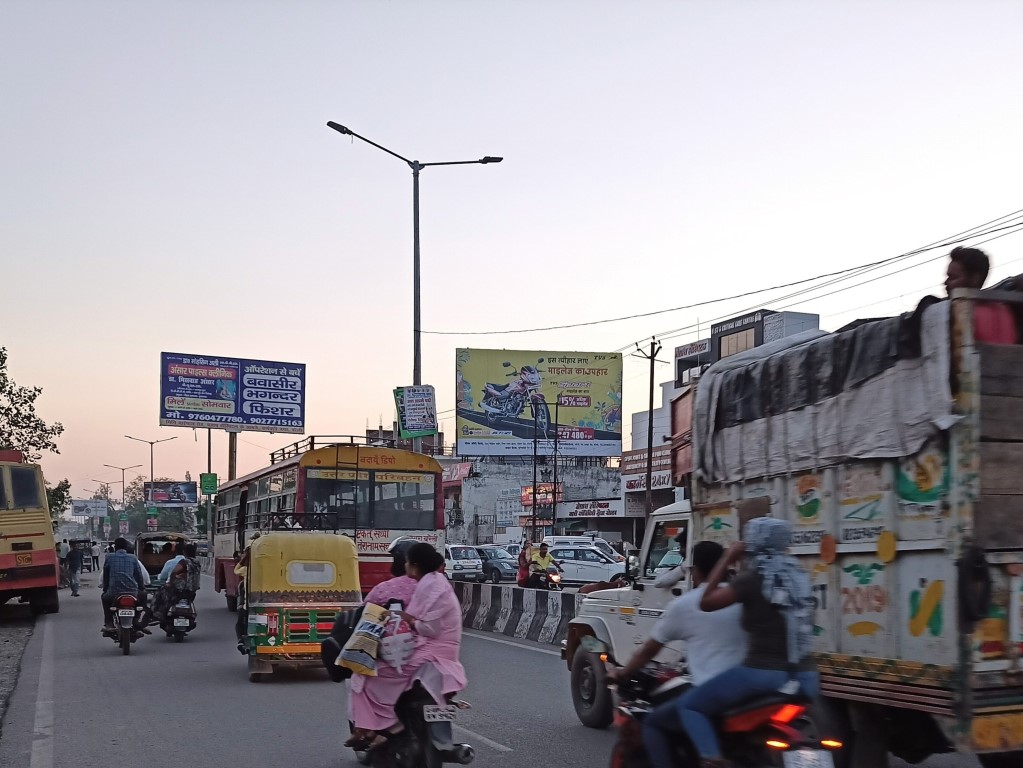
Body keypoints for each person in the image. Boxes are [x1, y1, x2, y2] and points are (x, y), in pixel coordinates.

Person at [665, 518, 817, 768]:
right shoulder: (799, 577)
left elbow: (706, 601)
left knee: (692, 706)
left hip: (763, 674)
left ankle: (712, 758)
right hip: (806, 677)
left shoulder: (754, 579)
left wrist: (728, 558)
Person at [607, 542, 748, 768]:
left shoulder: (687, 604)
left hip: (711, 690)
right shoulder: (743, 598)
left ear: (695, 570)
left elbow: (648, 651)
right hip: (753, 688)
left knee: (653, 723)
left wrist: (622, 673)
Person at [355, 542, 466, 751]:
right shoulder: (435, 581)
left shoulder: (429, 585)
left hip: (431, 652)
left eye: (407, 562)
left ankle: (388, 725)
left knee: (368, 674)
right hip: (439, 650)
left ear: (413, 566)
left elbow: (429, 628)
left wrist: (408, 619)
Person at [345, 539, 422, 749]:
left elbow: (364, 617)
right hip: (433, 661)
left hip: (397, 659)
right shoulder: (436, 589)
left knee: (359, 679)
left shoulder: (384, 589)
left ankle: (367, 728)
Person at [945, 246, 1019, 344]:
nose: (946, 283)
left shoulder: (961, 312)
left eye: (953, 277)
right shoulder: (1004, 309)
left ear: (974, 279)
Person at [101, 537, 149, 633]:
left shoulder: (109, 557)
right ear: (126, 547)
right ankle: (138, 620)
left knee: (104, 598)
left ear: (115, 547)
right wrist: (141, 587)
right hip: (132, 591)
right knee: (143, 596)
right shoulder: (133, 558)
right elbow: (139, 575)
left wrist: (105, 589)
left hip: (113, 592)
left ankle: (109, 623)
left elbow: (106, 575)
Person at [149, 543, 200, 625]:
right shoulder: (197, 563)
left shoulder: (184, 562)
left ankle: (157, 614)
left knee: (159, 594)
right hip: (191, 592)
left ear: (185, 552)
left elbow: (174, 572)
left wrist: (171, 582)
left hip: (179, 591)